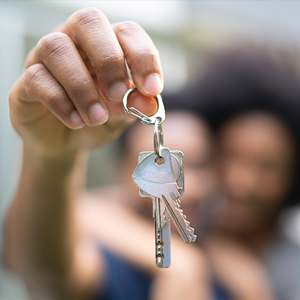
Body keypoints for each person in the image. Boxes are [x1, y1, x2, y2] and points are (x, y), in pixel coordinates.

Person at [3, 8, 212, 300]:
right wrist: (53, 158)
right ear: (121, 174)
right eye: (178, 166)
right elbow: (43, 268)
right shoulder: (108, 259)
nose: (186, 189)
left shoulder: (236, 264)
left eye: (201, 165)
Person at [178, 49, 300, 300]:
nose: (240, 182)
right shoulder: (178, 221)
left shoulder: (292, 275)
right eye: (228, 155)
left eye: (266, 167)